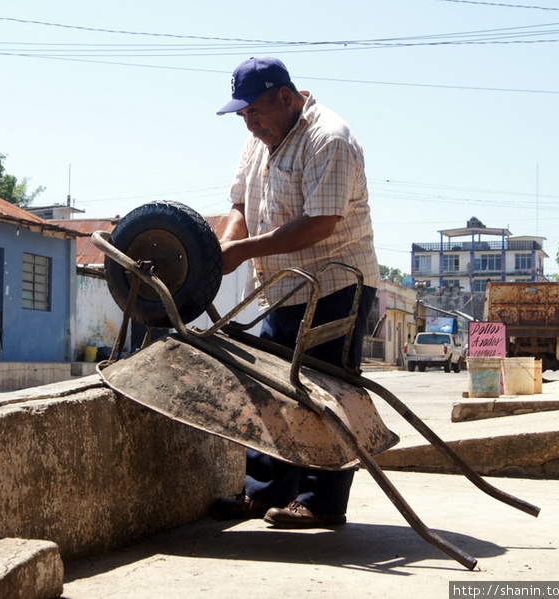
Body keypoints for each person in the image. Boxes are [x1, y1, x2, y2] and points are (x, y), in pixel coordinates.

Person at [209, 57, 379, 529]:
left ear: (286, 97)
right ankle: (262, 493)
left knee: (323, 395)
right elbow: (241, 205)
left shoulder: (330, 138)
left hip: (337, 287)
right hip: (282, 290)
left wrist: (241, 252)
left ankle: (322, 502)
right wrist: (226, 246)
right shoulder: (257, 141)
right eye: (243, 116)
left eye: (256, 112)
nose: (251, 123)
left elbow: (321, 223)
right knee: (269, 390)